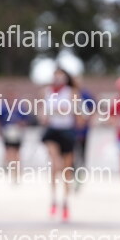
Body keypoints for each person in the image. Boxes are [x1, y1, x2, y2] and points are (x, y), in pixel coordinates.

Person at [40, 67, 79, 221]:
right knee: (55, 165)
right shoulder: (47, 91)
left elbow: (75, 110)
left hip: (66, 131)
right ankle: (54, 200)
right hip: (53, 130)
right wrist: (45, 116)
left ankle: (65, 202)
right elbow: (43, 111)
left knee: (66, 171)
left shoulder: (71, 92)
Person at [0, 85, 28, 184]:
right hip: (6, 132)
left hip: (17, 133)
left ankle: (17, 173)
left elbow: (26, 120)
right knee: (9, 153)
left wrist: (21, 125)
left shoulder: (20, 107)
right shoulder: (3, 107)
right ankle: (12, 171)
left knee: (17, 154)